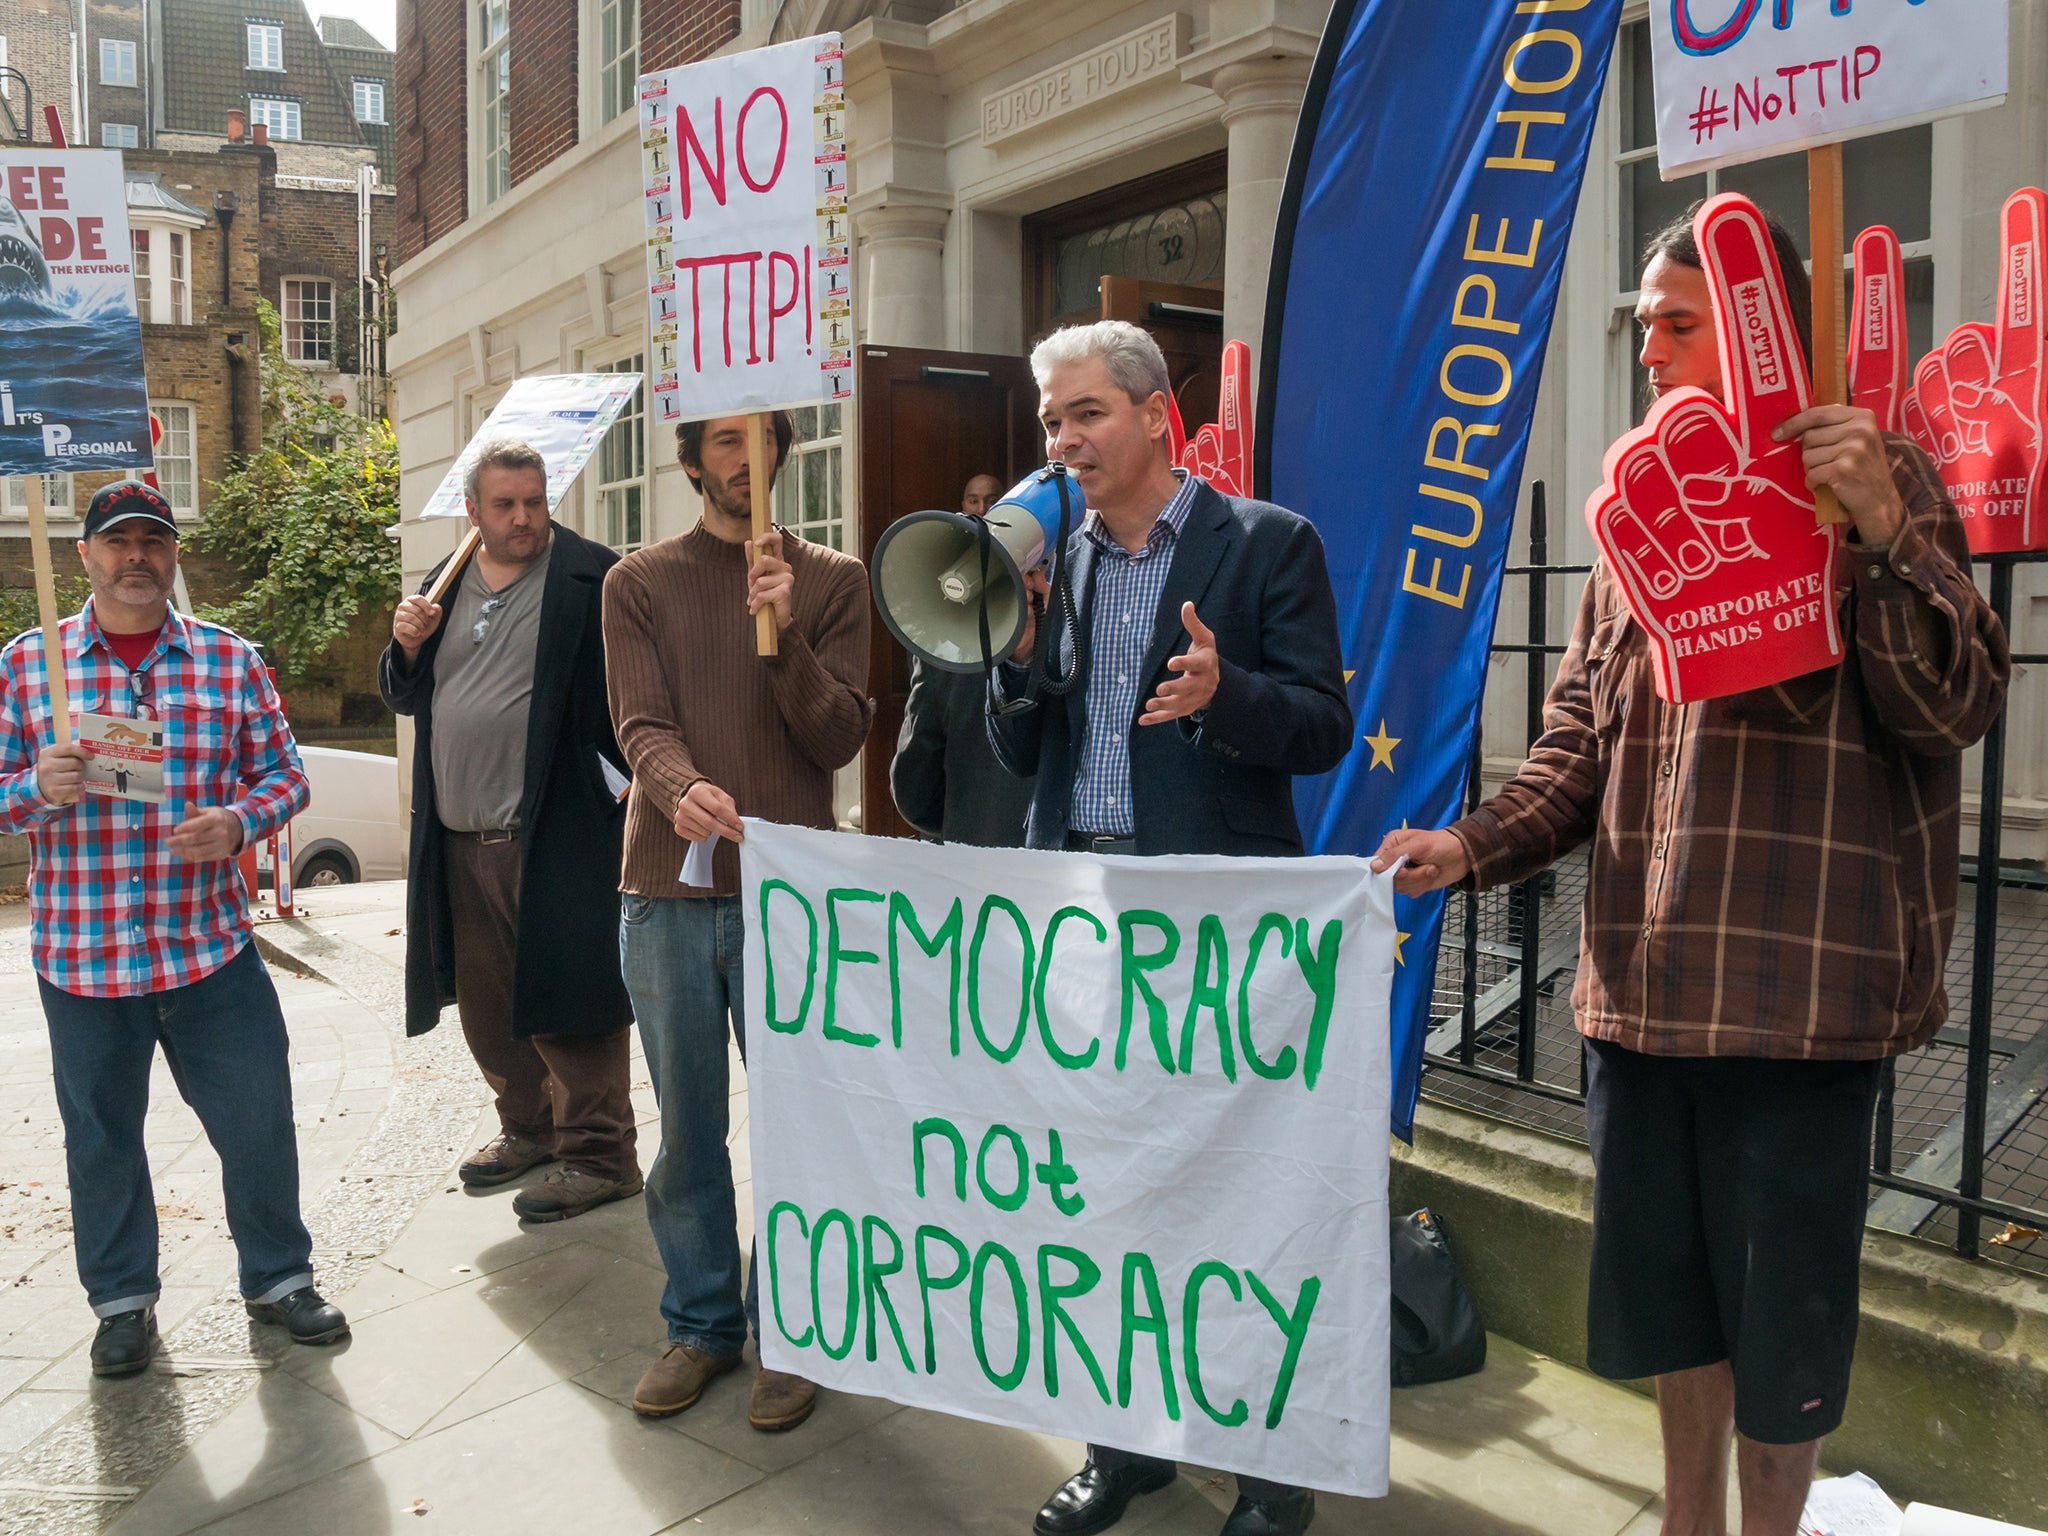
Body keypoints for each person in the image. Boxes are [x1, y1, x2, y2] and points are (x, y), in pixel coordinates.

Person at [1374, 205, 2010, 1536]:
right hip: (1644, 998)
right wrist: (1468, 844)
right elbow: (1575, 751)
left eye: (1679, 321)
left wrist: (1884, 529)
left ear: (1762, 325)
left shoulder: (1871, 480)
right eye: (1645, 322)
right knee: (1675, 1313)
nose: (1650, 346)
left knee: (1785, 1338)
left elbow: (1950, 706)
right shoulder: (1636, 511)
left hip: (1804, 1010)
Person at [990, 321, 1350, 1536]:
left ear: (1153, 416)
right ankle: (1122, 1442)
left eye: (1083, 413)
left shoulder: (1263, 546)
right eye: (1049, 420)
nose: (1062, 440)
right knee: (1100, 1198)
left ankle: (1266, 1470)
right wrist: (1018, 654)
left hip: (1209, 937)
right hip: (1082, 928)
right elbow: (1016, 754)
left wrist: (1224, 694)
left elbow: (1319, 727)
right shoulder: (1060, 563)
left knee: (1233, 1201)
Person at [0, 480, 347, 1376]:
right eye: (118, 542)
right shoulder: (27, 665)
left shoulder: (228, 660)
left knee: (258, 1119)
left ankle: (279, 1278)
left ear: (174, 553)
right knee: (102, 1138)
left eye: (153, 540)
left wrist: (238, 822)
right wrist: (37, 787)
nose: (137, 557)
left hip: (208, 950)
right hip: (83, 957)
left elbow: (286, 775)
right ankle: (122, 1303)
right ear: (84, 555)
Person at [604, 412, 872, 1432]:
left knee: (801, 1129)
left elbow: (838, 733)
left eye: (759, 436)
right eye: (720, 439)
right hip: (666, 896)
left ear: (782, 453)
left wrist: (785, 632)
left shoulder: (835, 579)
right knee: (687, 1132)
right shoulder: (639, 582)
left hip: (788, 902)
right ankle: (701, 1324)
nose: (740, 455)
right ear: (687, 461)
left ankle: (794, 1332)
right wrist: (678, 789)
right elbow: (639, 723)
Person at [380, 439, 642, 1223]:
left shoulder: (596, 577)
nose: (523, 517)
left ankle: (602, 1156)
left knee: (573, 1001)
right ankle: (528, 1128)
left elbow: (637, 698)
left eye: (534, 500)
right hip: (461, 839)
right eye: (505, 504)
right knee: (492, 1008)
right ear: (474, 511)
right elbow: (403, 694)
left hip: (555, 835)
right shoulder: (445, 580)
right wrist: (405, 646)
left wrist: (613, 790)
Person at [889, 471, 1036, 846]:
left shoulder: (942, 640)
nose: (982, 507)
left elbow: (915, 789)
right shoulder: (1072, 613)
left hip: (968, 853)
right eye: (973, 500)